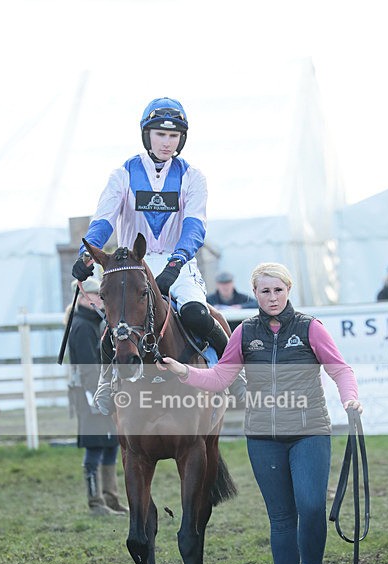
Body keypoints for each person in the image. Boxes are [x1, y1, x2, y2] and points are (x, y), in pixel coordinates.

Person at [157, 261, 362, 564]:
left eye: (278, 290)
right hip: (264, 437)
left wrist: (350, 399)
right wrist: (184, 371)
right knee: (281, 518)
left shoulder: (311, 328)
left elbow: (340, 369)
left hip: (309, 430)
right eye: (265, 291)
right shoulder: (244, 332)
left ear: (288, 291)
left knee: (312, 507)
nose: (272, 297)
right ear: (255, 294)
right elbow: (221, 376)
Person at [71, 97, 233, 414]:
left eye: (173, 136)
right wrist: (86, 256)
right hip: (133, 264)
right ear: (147, 135)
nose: (167, 142)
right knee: (116, 327)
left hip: (179, 264)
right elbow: (103, 221)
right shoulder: (122, 175)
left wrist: (175, 264)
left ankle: (228, 377)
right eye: (160, 134)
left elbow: (195, 227)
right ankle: (107, 382)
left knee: (198, 315)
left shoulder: (193, 177)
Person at [67, 278, 128, 516]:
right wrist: (103, 394)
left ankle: (110, 498)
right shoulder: (82, 326)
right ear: (83, 298)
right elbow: (88, 369)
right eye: (96, 296)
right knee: (95, 446)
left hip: (103, 393)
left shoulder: (96, 323)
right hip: (92, 396)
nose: (101, 300)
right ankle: (96, 502)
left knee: (110, 443)